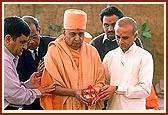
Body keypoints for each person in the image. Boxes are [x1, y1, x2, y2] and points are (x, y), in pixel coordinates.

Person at [90, 6, 159, 110]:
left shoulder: (144, 57)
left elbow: (145, 90)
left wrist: (117, 89)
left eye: (125, 38)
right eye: (118, 37)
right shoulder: (110, 56)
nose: (120, 41)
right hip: (112, 108)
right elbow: (104, 82)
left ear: (135, 36)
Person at [40, 9, 105, 110]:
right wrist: (74, 92)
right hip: (63, 106)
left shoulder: (92, 51)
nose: (77, 38)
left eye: (81, 34)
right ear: (64, 32)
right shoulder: (54, 51)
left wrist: (93, 92)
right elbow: (49, 87)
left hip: (88, 105)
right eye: (73, 34)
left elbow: (100, 80)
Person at [4, 16, 55, 110]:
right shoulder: (4, 61)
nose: (25, 47)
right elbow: (15, 95)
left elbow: (13, 87)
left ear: (39, 31)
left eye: (34, 37)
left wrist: (30, 83)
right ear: (8, 39)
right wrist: (39, 92)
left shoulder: (52, 44)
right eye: (22, 42)